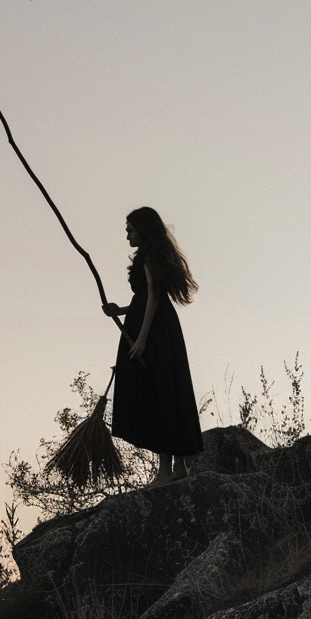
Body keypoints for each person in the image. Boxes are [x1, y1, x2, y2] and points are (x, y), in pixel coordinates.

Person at [103, 207, 203, 486]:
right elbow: (145, 299)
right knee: (166, 388)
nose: (127, 235)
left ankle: (165, 471)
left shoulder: (148, 257)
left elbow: (153, 298)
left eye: (130, 230)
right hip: (156, 325)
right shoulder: (149, 257)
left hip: (155, 330)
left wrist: (144, 338)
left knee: (158, 390)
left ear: (142, 230)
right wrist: (119, 310)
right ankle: (179, 466)